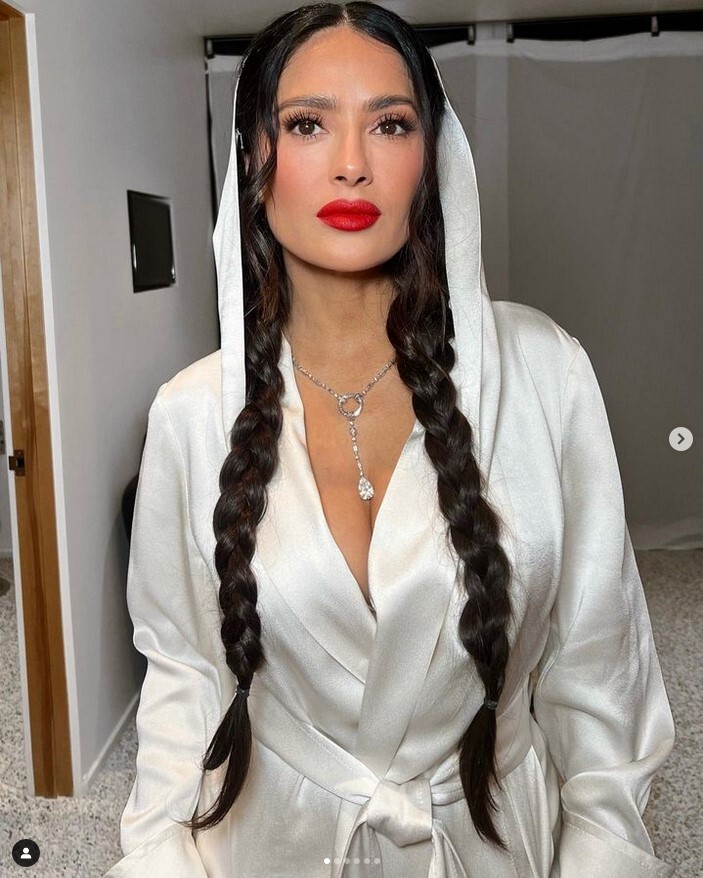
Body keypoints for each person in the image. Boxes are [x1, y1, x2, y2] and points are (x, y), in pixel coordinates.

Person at [105, 3, 676, 877]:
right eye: (307, 124)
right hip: (272, 846)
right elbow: (183, 676)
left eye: (389, 124)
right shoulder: (189, 415)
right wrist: (157, 859)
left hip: (489, 839)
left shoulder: (544, 371)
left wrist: (600, 856)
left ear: (431, 157)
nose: (351, 163)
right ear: (253, 158)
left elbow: (599, 664)